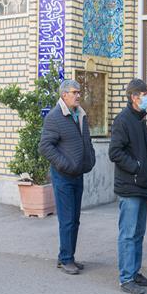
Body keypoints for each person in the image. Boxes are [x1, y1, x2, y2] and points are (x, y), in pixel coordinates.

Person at [39, 79, 96, 275]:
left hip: (77, 174)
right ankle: (66, 259)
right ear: (64, 95)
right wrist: (65, 164)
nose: (78, 95)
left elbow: (86, 141)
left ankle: (66, 255)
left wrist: (90, 158)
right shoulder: (55, 117)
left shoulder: (80, 114)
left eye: (79, 92)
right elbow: (45, 147)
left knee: (75, 219)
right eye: (74, 92)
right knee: (67, 219)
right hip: (63, 176)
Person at [109, 79, 147, 294]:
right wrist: (136, 167)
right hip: (130, 186)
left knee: (138, 233)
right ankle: (126, 278)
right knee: (128, 234)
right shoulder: (123, 120)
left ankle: (134, 272)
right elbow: (115, 152)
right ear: (134, 97)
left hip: (141, 186)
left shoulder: (139, 118)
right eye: (145, 94)